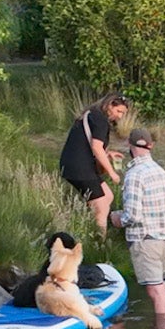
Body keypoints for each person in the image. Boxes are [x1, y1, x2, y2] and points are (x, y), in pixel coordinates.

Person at [116, 127, 165, 327]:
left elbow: (132, 215)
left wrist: (117, 219)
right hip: (162, 239)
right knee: (161, 287)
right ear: (151, 146)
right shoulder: (160, 171)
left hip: (144, 239)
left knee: (154, 290)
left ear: (129, 146)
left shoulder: (134, 175)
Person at [59, 94, 129, 238]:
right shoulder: (101, 121)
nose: (120, 116)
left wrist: (108, 153)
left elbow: (85, 143)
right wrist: (112, 172)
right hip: (80, 169)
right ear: (110, 106)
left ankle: (90, 227)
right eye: (119, 111)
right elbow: (96, 147)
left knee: (108, 196)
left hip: (73, 165)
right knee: (101, 206)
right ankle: (99, 242)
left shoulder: (91, 115)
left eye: (123, 113)